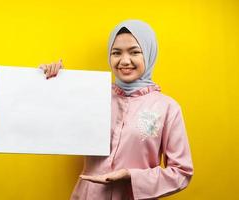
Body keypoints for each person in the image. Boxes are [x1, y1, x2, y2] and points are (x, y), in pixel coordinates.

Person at [38, 19, 194, 200]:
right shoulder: (92, 96)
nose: (124, 60)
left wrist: (131, 176)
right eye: (116, 53)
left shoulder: (167, 107)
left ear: (149, 54)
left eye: (135, 52)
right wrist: (51, 81)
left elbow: (182, 172)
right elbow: (54, 117)